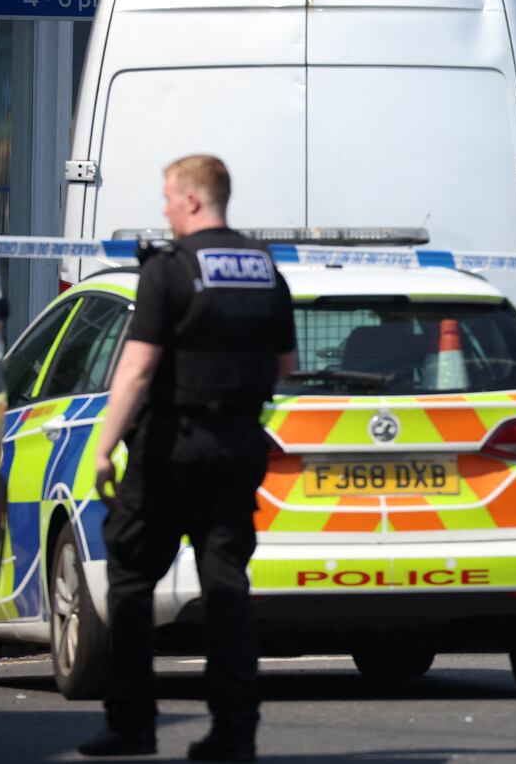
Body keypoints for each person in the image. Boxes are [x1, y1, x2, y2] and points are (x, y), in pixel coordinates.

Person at [78, 155, 295, 762]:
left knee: (129, 578)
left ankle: (131, 724)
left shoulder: (168, 272)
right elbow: (286, 367)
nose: (166, 210)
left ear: (194, 200)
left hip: (170, 449)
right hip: (236, 447)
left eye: (169, 199)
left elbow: (138, 368)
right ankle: (235, 730)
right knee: (226, 584)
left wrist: (103, 448)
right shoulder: (264, 269)